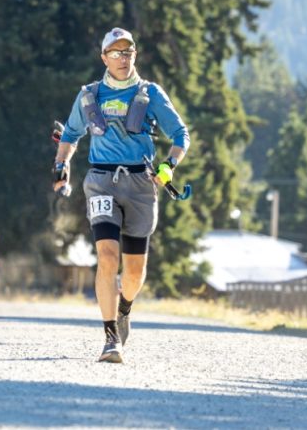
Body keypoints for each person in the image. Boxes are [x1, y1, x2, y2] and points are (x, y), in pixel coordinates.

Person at [53, 27, 189, 363]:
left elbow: (180, 134)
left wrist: (169, 166)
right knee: (108, 257)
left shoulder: (150, 93)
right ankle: (110, 337)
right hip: (100, 181)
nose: (122, 58)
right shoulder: (89, 95)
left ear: (135, 55)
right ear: (104, 57)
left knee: (133, 273)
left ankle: (125, 308)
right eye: (115, 52)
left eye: (127, 52)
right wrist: (61, 167)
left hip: (141, 185)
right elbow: (70, 135)